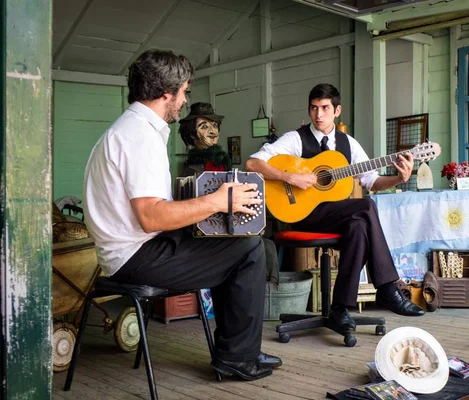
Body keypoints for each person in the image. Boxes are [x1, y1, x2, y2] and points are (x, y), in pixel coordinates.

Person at [82, 49, 280, 381]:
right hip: (136, 257)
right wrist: (218, 202)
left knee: (231, 241)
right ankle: (238, 357)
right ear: (166, 93)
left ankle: (238, 351)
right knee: (248, 248)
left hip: (130, 251)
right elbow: (151, 217)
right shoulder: (139, 136)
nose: (184, 101)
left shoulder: (129, 128)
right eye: (184, 91)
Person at [245, 83, 424, 333]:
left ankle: (339, 307)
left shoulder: (348, 144)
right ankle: (386, 287)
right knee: (366, 206)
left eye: (325, 108)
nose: (319, 114)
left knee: (360, 226)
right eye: (314, 108)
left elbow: (371, 180)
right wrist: (289, 177)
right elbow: (253, 164)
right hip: (301, 215)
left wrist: (399, 179)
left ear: (337, 110)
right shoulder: (295, 139)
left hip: (337, 216)